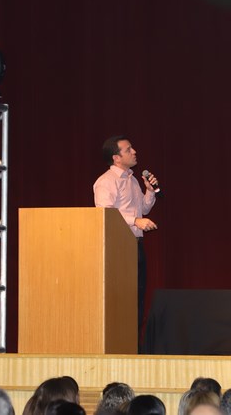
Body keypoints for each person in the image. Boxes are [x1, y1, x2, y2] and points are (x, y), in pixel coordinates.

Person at [93, 135, 160, 333]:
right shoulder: (106, 182)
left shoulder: (132, 180)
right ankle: (118, 341)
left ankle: (133, 343)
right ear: (116, 158)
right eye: (128, 149)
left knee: (137, 297)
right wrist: (135, 221)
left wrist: (150, 191)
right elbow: (105, 213)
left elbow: (143, 209)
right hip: (118, 247)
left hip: (136, 244)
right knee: (122, 298)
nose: (134, 151)